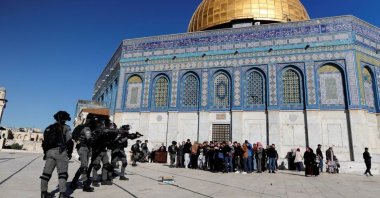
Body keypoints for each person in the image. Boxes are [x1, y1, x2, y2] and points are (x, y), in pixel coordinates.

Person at [40, 111, 74, 198]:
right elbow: (69, 141)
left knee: (46, 174)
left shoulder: (48, 128)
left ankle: (43, 193)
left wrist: (45, 153)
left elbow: (44, 143)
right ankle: (62, 194)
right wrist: (69, 153)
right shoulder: (66, 127)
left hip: (49, 153)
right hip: (60, 152)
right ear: (65, 119)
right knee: (62, 173)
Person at [70, 121, 95, 192]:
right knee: (84, 167)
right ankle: (85, 185)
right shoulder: (87, 128)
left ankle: (73, 182)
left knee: (83, 166)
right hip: (83, 148)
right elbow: (89, 139)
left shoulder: (84, 128)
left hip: (85, 148)